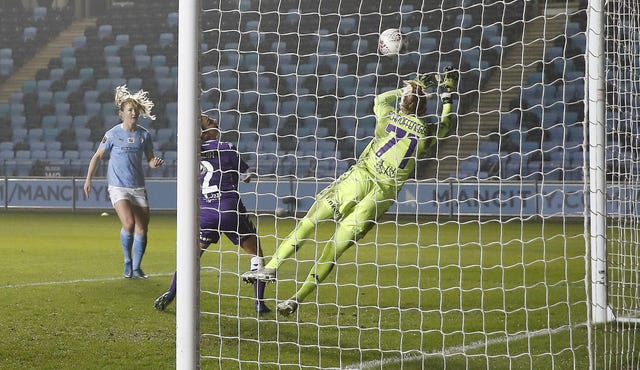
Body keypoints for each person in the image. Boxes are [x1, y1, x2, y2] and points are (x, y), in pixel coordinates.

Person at [241, 67, 459, 315]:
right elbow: (446, 124)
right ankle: (295, 299)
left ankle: (272, 267)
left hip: (360, 178)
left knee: (310, 222)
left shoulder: (388, 116)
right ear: (423, 108)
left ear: (403, 102)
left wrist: (415, 85)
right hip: (382, 193)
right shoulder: (427, 131)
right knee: (334, 249)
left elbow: (380, 99)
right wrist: (447, 95)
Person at [153, 114, 270, 314]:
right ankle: (259, 303)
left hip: (206, 212)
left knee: (191, 257)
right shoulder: (227, 147)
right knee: (256, 253)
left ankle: (171, 292)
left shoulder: (191, 153)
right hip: (229, 209)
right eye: (210, 120)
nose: (215, 120)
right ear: (207, 130)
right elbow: (247, 175)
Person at [84, 85, 164, 279]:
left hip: (137, 186)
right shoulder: (112, 134)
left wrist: (155, 162)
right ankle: (127, 262)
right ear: (122, 114)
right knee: (128, 223)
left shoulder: (144, 135)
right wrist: (88, 180)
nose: (134, 112)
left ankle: (137, 268)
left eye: (136, 109)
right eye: (130, 109)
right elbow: (96, 156)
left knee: (142, 228)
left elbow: (150, 160)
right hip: (118, 186)